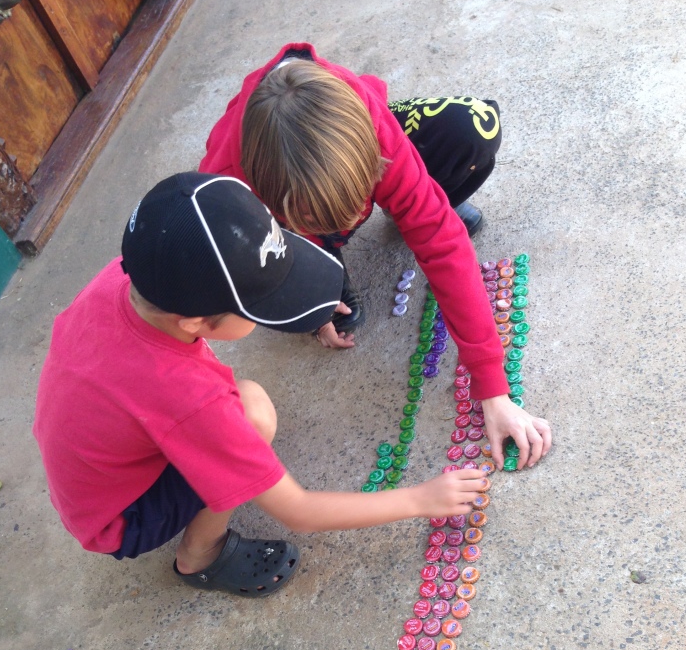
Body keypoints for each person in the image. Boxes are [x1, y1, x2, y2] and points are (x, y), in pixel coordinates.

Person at [33, 172, 489, 597]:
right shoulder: (187, 398)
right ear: (194, 321)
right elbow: (301, 513)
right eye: (259, 306)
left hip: (97, 472)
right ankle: (199, 555)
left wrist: (306, 303)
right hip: (120, 518)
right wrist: (419, 498)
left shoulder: (134, 275)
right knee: (251, 413)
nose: (270, 309)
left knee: (236, 406)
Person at [199, 43, 552, 472]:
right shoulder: (225, 189)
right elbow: (223, 282)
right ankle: (320, 258)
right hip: (280, 213)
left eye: (360, 201)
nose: (353, 223)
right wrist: (305, 300)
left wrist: (492, 387)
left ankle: (408, 193)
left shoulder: (368, 123)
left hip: (350, 151)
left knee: (472, 126)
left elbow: (442, 243)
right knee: (293, 295)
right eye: (326, 220)